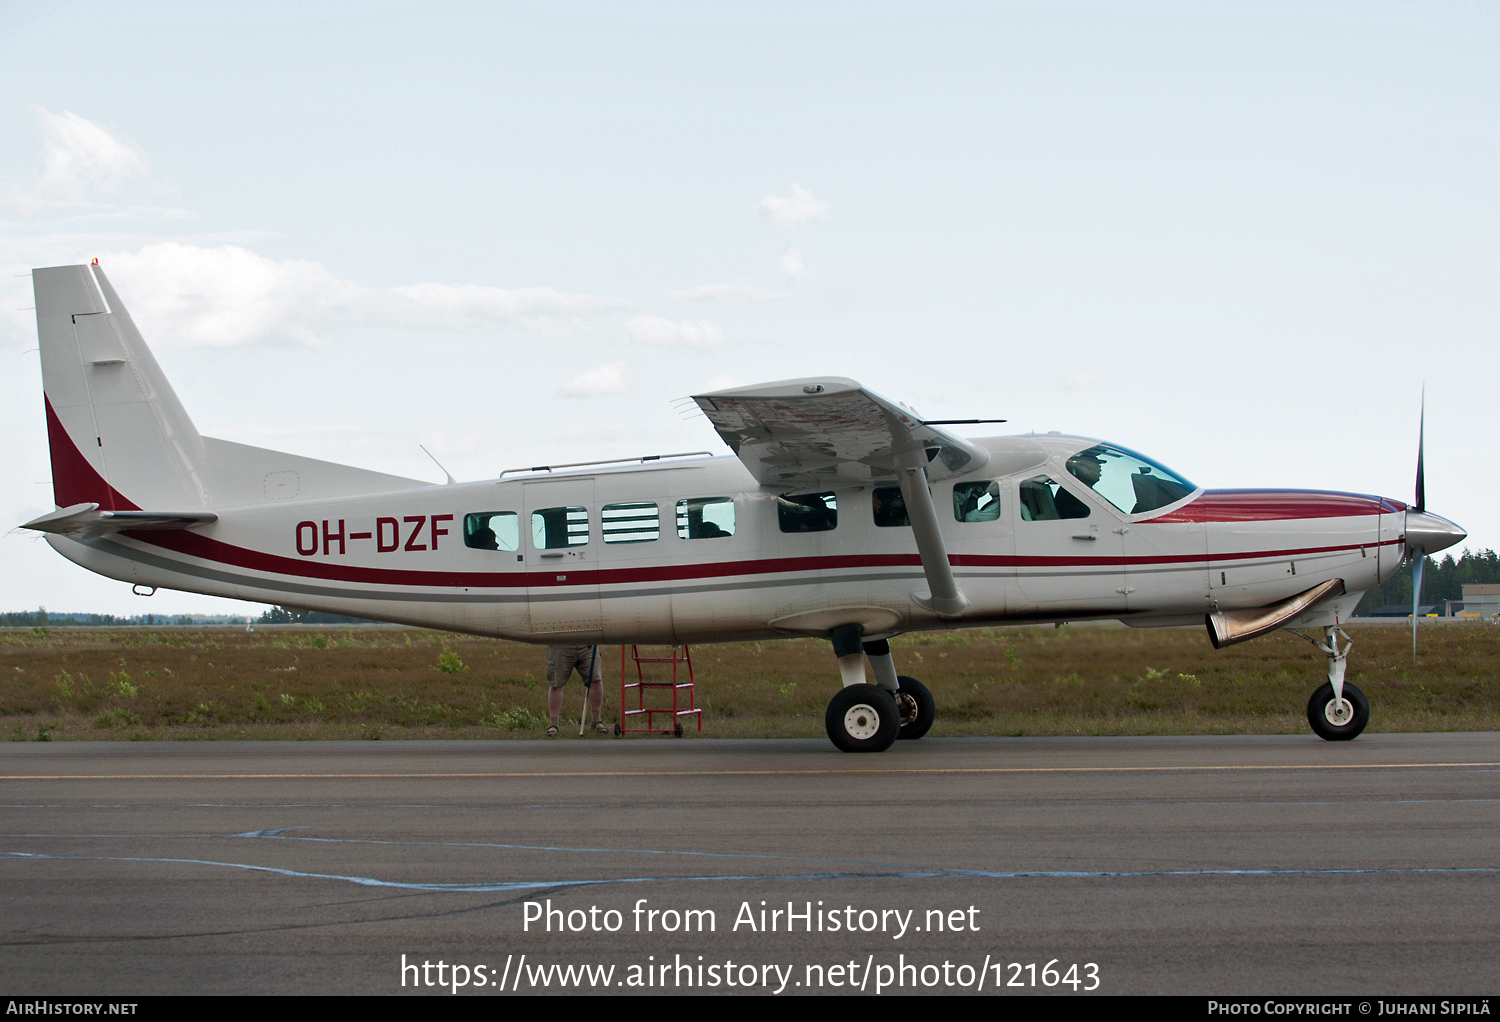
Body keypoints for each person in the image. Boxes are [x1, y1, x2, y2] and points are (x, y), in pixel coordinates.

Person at [545, 643, 607, 736]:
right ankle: (553, 725)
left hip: (587, 645)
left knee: (596, 680)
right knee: (556, 684)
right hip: (560, 645)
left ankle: (596, 721)